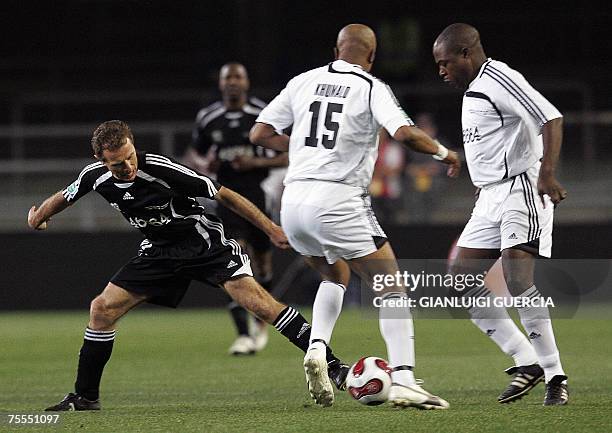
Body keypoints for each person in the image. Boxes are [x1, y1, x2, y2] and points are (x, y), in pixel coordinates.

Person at [28, 120, 348, 411]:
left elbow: (225, 195)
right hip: (159, 252)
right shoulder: (94, 177)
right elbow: (65, 195)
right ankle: (85, 397)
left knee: (261, 306)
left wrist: (271, 228)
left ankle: (333, 365)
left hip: (202, 243)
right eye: (117, 163)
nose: (127, 166)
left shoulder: (161, 169)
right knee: (101, 310)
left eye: (130, 156)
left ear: (133, 145)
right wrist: (39, 216)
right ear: (101, 161)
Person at [251, 24, 461, 409]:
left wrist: (300, 148)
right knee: (390, 285)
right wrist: (446, 155)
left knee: (336, 274)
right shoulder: (370, 86)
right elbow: (406, 134)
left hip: (293, 202)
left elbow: (260, 133)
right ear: (372, 56)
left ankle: (317, 347)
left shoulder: (303, 81)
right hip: (338, 198)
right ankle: (406, 381)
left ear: (335, 50)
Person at [433, 23, 569, 406]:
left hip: (521, 189)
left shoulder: (499, 77)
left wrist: (546, 174)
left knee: (517, 278)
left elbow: (551, 117)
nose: (441, 70)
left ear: (465, 54)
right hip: (490, 195)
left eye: (444, 63)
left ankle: (555, 375)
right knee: (458, 285)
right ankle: (527, 362)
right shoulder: (474, 89)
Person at [184, 63, 288, 356]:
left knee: (263, 264)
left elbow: (289, 156)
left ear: (246, 82)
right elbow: (195, 154)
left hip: (258, 196)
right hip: (226, 199)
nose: (233, 82)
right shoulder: (209, 118)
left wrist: (256, 163)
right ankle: (243, 334)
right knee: (234, 258)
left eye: (238, 76)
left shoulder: (261, 113)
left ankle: (261, 324)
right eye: (227, 77)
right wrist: (204, 166)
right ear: (220, 84)